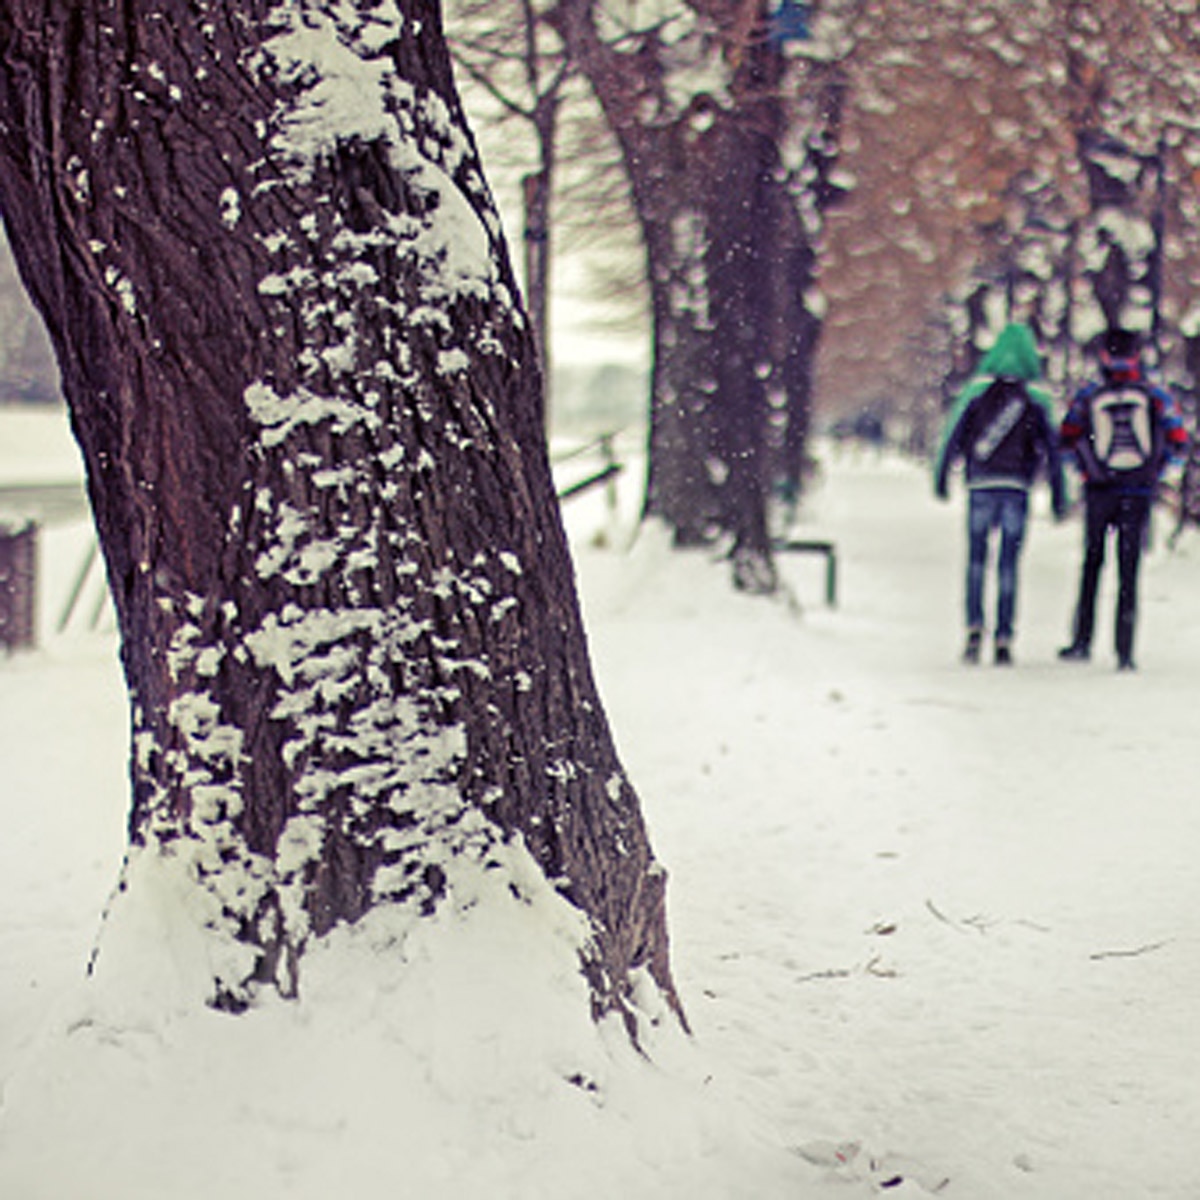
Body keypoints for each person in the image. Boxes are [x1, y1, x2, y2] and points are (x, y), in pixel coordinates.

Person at [934, 322, 1066, 665]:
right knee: (1009, 564)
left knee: (977, 561)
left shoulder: (976, 394)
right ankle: (1005, 636)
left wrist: (942, 477)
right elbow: (1051, 449)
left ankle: (974, 629)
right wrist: (1058, 493)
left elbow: (953, 435)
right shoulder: (1035, 399)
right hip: (1016, 488)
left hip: (980, 484)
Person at [1057, 327, 1187, 671]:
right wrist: (1155, 472)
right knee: (1129, 571)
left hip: (1100, 491)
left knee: (1092, 564)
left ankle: (1083, 640)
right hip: (1138, 491)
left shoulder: (1090, 393)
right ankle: (1124, 650)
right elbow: (1178, 437)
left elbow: (1067, 437)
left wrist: (1086, 472)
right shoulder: (1153, 393)